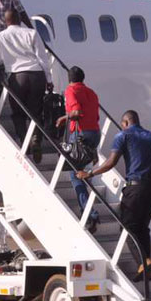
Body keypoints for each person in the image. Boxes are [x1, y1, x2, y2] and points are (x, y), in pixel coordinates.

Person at [76, 110, 151, 282]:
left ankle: (144, 261)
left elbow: (111, 162)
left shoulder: (124, 135)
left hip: (136, 189)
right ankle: (145, 269)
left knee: (127, 228)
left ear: (125, 122)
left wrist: (90, 174)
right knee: (142, 228)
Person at [0, 9, 53, 163]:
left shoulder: (1, 36)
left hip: (17, 78)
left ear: (6, 21)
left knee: (18, 114)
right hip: (36, 76)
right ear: (20, 19)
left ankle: (25, 142)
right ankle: (36, 140)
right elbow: (43, 59)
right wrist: (49, 80)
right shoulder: (32, 33)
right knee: (36, 112)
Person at [56, 67, 101, 217]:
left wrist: (64, 118)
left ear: (69, 80)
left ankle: (89, 213)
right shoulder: (92, 93)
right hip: (94, 134)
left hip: (81, 135)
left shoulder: (71, 90)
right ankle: (87, 208)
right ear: (83, 78)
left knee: (75, 175)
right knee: (84, 173)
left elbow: (76, 112)